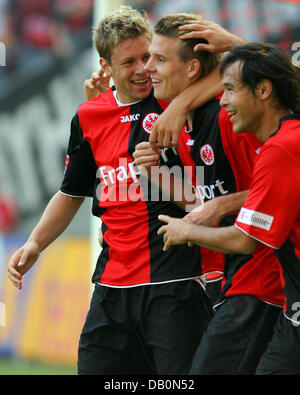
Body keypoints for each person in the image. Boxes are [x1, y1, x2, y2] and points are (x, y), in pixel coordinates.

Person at [7, 6, 223, 375]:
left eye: (147, 57)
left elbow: (232, 76)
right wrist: (35, 243)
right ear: (106, 64)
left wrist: (182, 103)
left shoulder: (175, 98)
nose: (143, 69)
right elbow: (71, 192)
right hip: (111, 288)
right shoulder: (90, 115)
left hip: (174, 284)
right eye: (129, 62)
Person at [133, 17, 284, 374]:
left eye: (159, 59)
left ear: (194, 67)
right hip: (229, 277)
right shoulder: (182, 123)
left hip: (262, 275)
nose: (148, 67)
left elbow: (277, 192)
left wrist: (222, 205)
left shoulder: (228, 118)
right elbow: (203, 204)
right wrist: (156, 174)